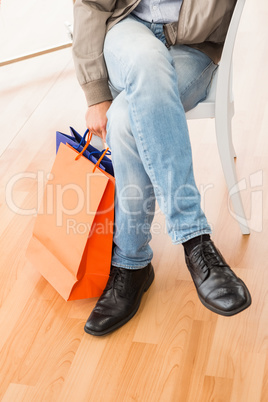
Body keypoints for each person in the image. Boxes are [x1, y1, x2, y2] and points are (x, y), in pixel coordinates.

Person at [72, 0, 251, 336]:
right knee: (147, 63)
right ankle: (195, 239)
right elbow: (91, 4)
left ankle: (130, 262)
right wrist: (96, 93)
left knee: (125, 120)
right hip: (126, 31)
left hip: (194, 47)